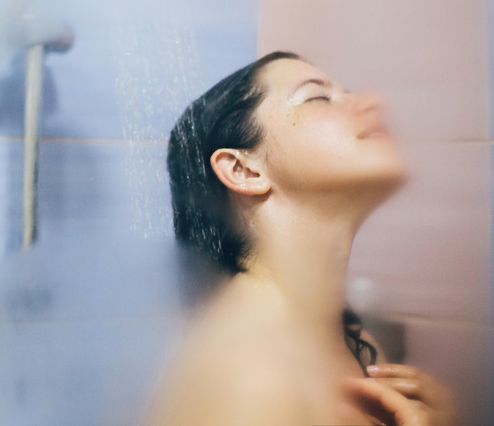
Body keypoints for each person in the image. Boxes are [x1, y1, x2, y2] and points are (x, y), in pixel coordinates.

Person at [146, 52, 456, 425]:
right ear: (243, 169)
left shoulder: (353, 342)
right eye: (318, 98)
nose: (373, 102)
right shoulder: (250, 376)